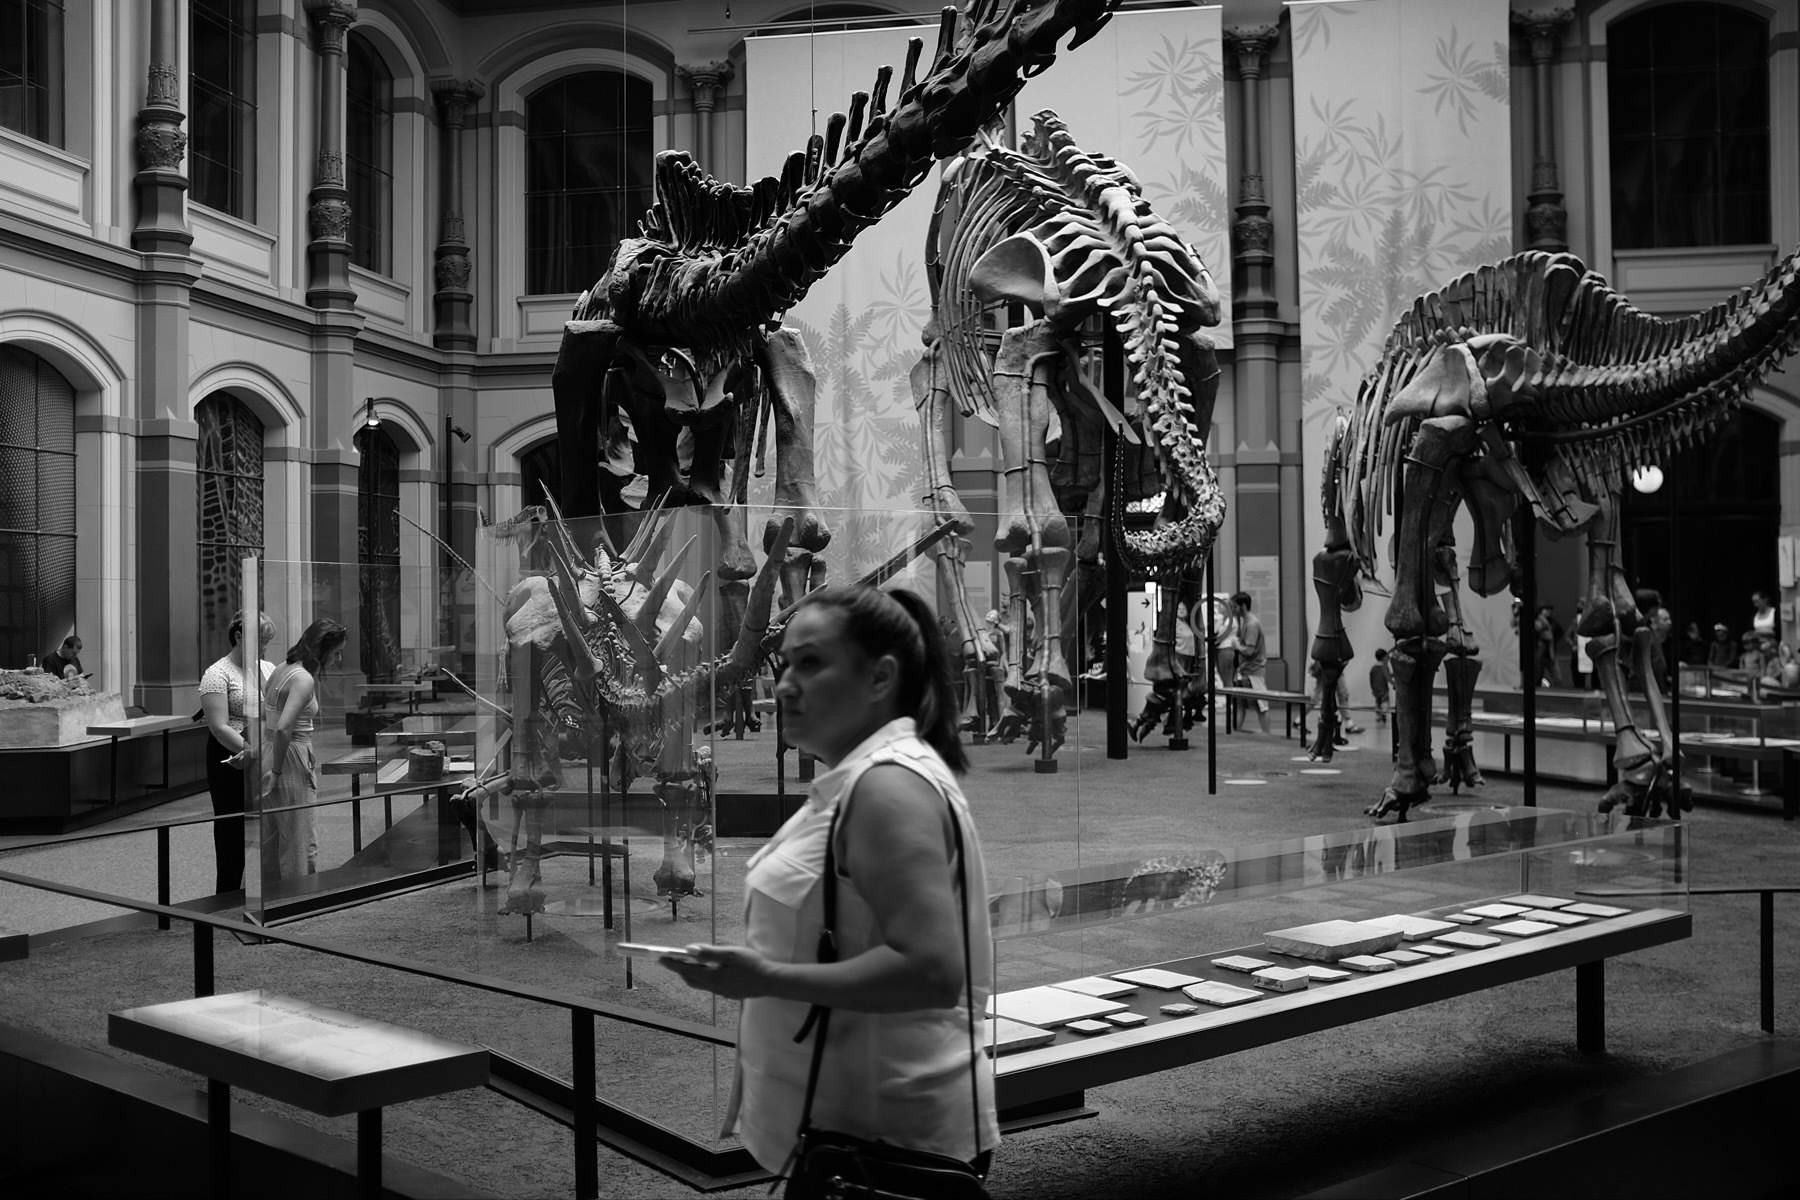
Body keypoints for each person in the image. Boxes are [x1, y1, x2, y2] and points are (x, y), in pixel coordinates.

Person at [665, 585, 999, 1185]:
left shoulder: (886, 790)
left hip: (886, 1147)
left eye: (812, 663)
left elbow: (932, 970)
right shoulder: (852, 785)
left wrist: (765, 979)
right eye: (786, 663)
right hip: (845, 1137)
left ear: (880, 677)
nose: (787, 683)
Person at [261, 618, 347, 882]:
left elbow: (271, 722)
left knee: (273, 837)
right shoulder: (302, 679)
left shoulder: (282, 668)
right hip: (289, 755)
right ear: (322, 649)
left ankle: (271, 897)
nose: (339, 658)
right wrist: (276, 771)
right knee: (299, 837)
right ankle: (297, 899)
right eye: (336, 652)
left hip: (271, 750)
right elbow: (284, 728)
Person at [198, 611, 277, 894]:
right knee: (231, 827)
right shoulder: (216, 673)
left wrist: (265, 749)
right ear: (239, 636)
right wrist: (250, 750)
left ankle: (265, 890)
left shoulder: (267, 669)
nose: (265, 648)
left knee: (268, 823)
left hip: (261, 749)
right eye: (261, 641)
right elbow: (218, 726)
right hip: (229, 757)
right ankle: (228, 893)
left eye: (267, 642)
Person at [1226, 591, 1270, 733]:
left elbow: (1250, 650)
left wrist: (1237, 646)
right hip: (1245, 671)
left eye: (1234, 607)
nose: (1232, 610)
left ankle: (1267, 736)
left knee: (1261, 706)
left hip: (1253, 672)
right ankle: (1236, 733)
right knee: (1240, 705)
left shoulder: (1251, 625)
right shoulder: (1246, 623)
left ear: (1242, 606)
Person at [1533, 605, 1564, 688]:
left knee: (1558, 679)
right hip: (1540, 653)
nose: (1548, 612)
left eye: (1549, 610)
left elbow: (1557, 632)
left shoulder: (1552, 621)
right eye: (1546, 610)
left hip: (1550, 653)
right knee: (1538, 676)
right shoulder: (1537, 621)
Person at [1369, 648, 1391, 724]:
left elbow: (1371, 678)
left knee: (1377, 702)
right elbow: (1388, 678)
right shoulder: (1385, 667)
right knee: (1385, 701)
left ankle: (1378, 716)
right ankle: (1383, 713)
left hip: (1376, 689)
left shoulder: (1373, 668)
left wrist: (1372, 688)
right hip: (1384, 688)